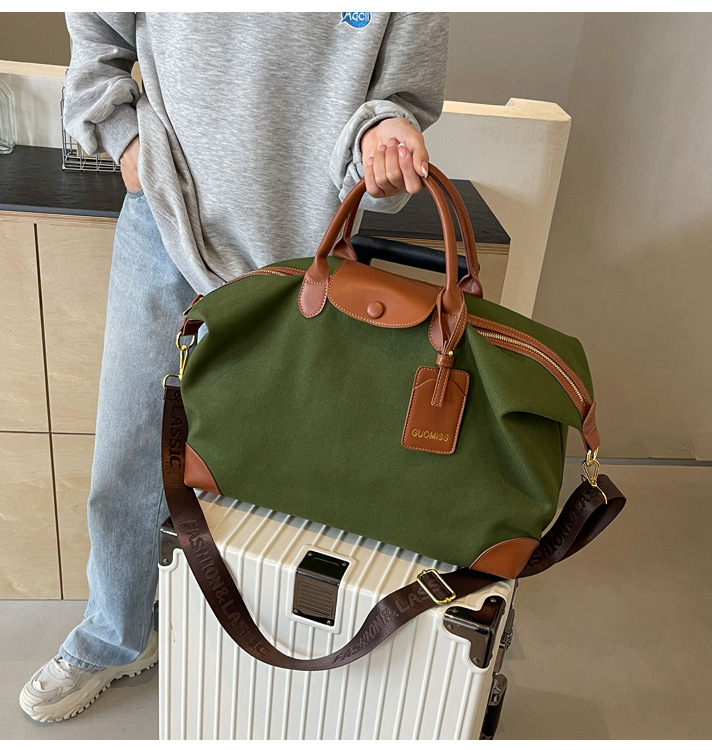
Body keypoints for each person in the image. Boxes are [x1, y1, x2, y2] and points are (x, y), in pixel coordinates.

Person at [19, 12, 450, 723]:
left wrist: (383, 137)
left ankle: (242, 645)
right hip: (165, 221)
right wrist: (125, 139)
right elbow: (97, 35)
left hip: (307, 251)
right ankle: (116, 634)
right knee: (130, 447)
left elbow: (400, 95)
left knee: (273, 475)